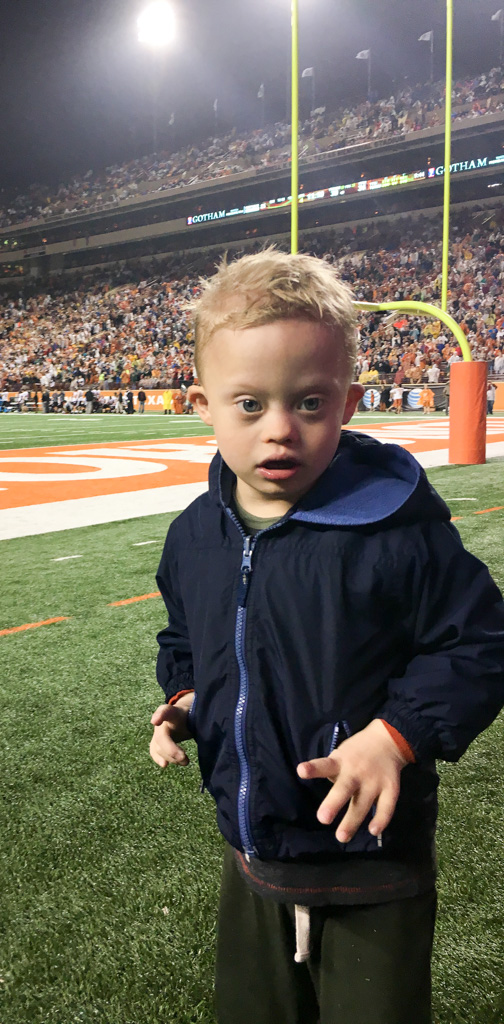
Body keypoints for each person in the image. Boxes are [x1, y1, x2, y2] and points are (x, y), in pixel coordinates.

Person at [149, 249, 504, 1024]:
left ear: (347, 401)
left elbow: (481, 641)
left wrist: (397, 735)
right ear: (203, 403)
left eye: (309, 403)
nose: (280, 429)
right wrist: (184, 694)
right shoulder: (195, 535)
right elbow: (184, 634)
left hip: (373, 863)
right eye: (250, 404)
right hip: (252, 854)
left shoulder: (396, 528)